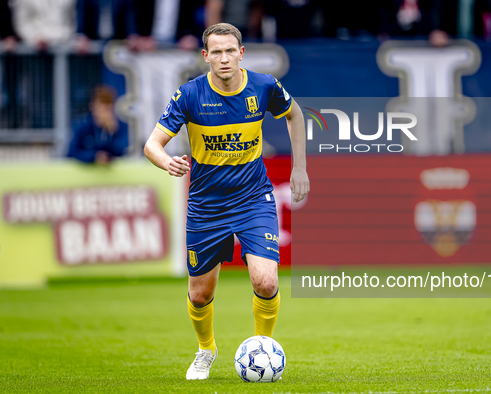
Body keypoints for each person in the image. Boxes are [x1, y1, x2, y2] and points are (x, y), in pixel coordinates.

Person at [143, 22, 309, 380]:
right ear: (205, 57)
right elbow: (151, 145)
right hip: (207, 204)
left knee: (265, 282)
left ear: (241, 53)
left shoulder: (263, 86)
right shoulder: (189, 95)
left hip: (253, 198)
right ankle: (206, 350)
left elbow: (296, 114)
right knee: (200, 294)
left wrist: (300, 169)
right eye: (215, 52)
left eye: (230, 50)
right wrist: (166, 160)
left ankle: (261, 347)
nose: (223, 58)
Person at [67, 85, 128, 164]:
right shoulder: (82, 126)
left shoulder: (119, 127)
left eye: (107, 107)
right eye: (100, 106)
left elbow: (123, 152)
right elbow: (72, 153)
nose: (103, 111)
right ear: (92, 106)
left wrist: (112, 132)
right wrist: (94, 157)